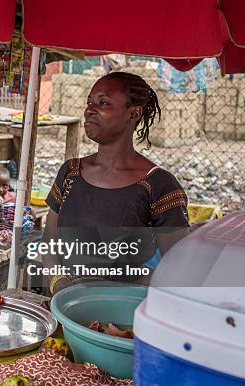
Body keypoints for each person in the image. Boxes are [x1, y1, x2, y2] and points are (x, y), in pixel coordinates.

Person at [43, 71, 189, 294]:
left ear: (133, 114)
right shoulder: (70, 172)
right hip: (66, 304)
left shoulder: (159, 185)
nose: (89, 110)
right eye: (89, 102)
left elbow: (177, 266)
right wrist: (58, 284)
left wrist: (125, 297)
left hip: (123, 316)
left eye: (103, 103)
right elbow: (50, 239)